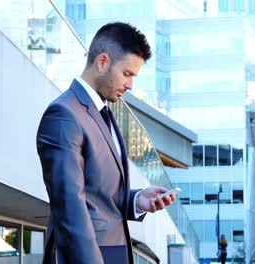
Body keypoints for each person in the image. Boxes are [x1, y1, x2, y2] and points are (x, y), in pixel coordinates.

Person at [36, 22, 177, 264]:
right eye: (127, 74)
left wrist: (136, 200)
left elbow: (97, 194)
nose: (131, 85)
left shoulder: (105, 113)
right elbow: (70, 210)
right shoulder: (63, 114)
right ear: (102, 62)